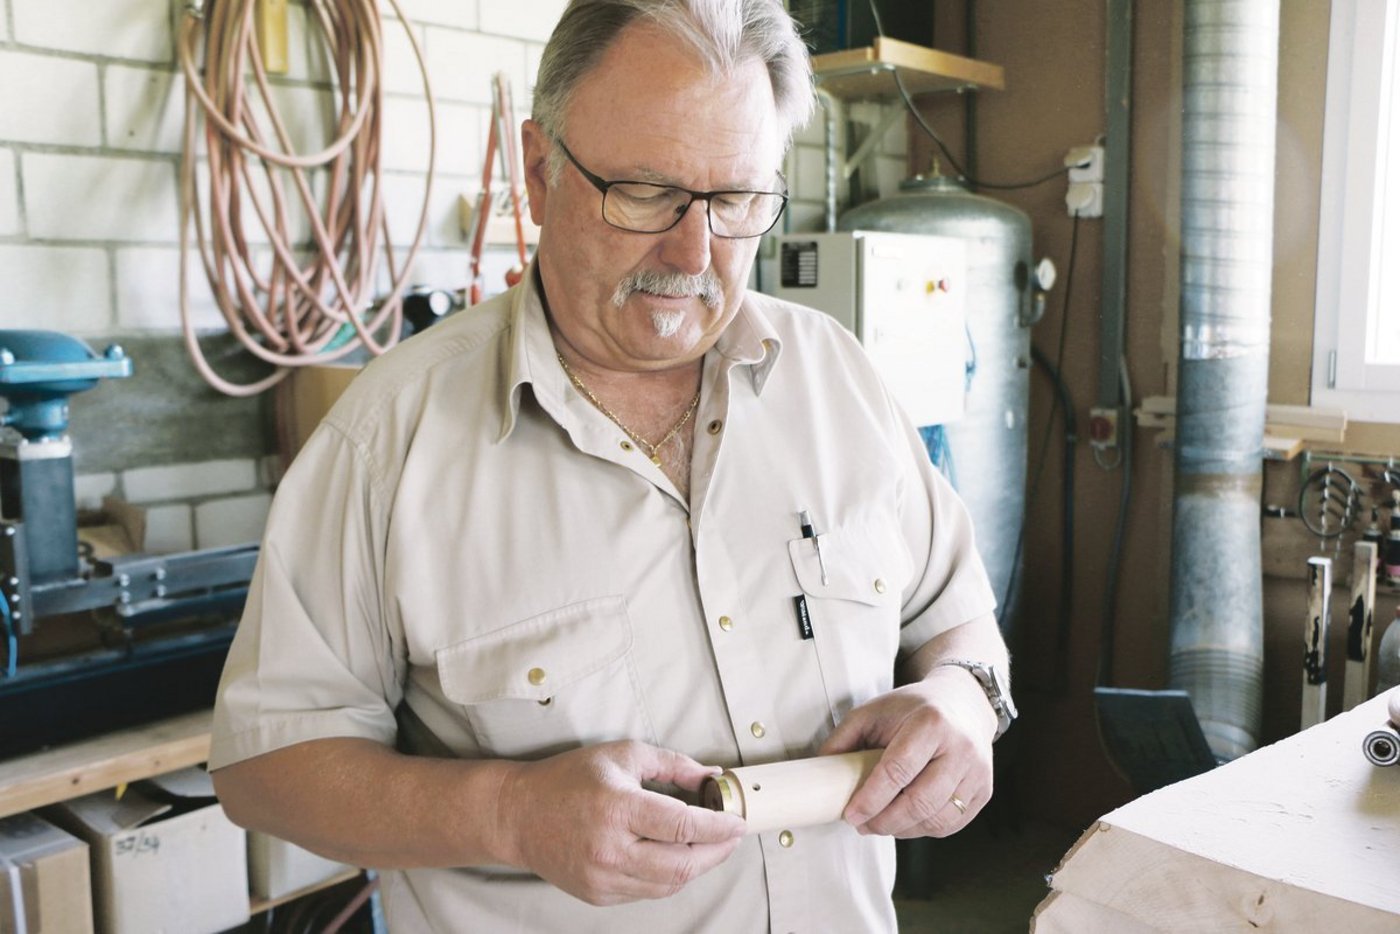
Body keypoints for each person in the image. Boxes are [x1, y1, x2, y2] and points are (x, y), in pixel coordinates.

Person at [209, 0, 1012, 930]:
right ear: (540, 168)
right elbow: (267, 770)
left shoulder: (838, 380)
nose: (693, 251)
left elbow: (958, 623)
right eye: (645, 192)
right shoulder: (388, 438)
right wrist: (510, 815)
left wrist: (961, 704)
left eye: (737, 200)